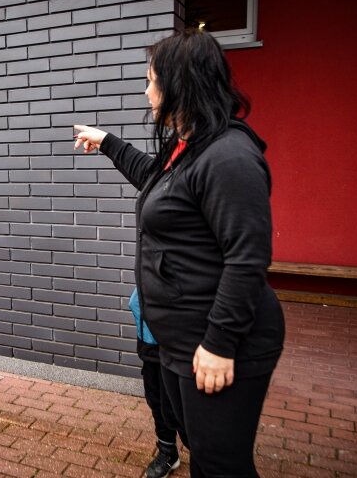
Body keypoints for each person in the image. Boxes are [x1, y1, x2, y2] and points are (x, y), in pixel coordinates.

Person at [74, 29, 284, 477]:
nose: (146, 92)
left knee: (220, 465)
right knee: (200, 448)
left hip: (217, 341)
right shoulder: (188, 147)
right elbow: (157, 182)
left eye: (151, 81)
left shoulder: (229, 157)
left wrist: (219, 344)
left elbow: (247, 258)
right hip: (177, 339)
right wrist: (108, 142)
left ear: (179, 86)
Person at [129, 287, 187, 478]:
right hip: (149, 344)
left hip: (177, 345)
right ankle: (168, 451)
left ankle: (207, 459)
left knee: (181, 407)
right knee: (156, 400)